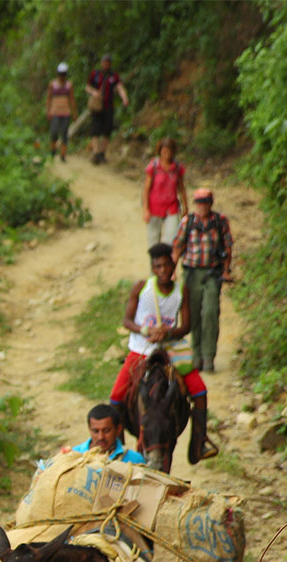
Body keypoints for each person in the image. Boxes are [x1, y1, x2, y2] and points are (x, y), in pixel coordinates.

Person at [110, 243, 217, 463]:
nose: (163, 271)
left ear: (173, 265)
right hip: (141, 350)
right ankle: (116, 450)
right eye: (158, 266)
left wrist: (167, 334)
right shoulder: (142, 287)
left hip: (171, 349)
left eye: (167, 265)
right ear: (152, 268)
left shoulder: (181, 291)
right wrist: (146, 330)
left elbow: (186, 326)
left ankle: (198, 443)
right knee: (116, 397)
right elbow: (126, 320)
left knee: (200, 391)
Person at [171, 187, 234, 374]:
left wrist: (226, 271)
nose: (202, 206)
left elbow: (228, 247)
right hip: (192, 273)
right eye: (199, 202)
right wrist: (172, 271)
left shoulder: (220, 222)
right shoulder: (188, 222)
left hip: (213, 273)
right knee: (193, 314)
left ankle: (209, 356)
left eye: (205, 202)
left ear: (211, 204)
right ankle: (196, 355)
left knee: (210, 312)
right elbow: (178, 247)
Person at [142, 137, 187, 247]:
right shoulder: (153, 167)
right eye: (165, 151)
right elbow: (146, 189)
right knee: (153, 241)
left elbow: (181, 189)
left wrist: (185, 206)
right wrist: (146, 209)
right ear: (160, 151)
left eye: (170, 151)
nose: (167, 154)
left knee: (171, 240)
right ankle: (155, 263)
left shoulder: (177, 168)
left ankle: (166, 262)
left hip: (171, 207)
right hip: (154, 208)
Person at [68, 403, 147, 464]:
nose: (100, 437)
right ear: (89, 429)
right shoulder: (73, 456)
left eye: (106, 431)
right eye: (95, 431)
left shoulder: (134, 460)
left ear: (118, 429)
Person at [86, 55, 129, 165]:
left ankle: (102, 153)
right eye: (104, 62)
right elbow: (87, 87)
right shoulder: (95, 74)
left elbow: (119, 87)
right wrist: (94, 92)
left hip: (108, 107)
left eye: (108, 62)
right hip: (97, 106)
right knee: (95, 129)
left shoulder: (114, 76)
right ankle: (96, 153)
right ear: (101, 63)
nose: (106, 64)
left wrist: (124, 98)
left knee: (107, 130)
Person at [45, 62, 75, 163]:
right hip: (55, 112)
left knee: (64, 134)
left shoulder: (69, 85)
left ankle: (63, 155)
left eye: (64, 74)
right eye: (61, 74)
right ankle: (53, 151)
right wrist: (48, 111)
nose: (62, 76)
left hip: (66, 112)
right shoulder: (52, 84)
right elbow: (48, 98)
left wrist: (74, 112)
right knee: (54, 132)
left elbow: (71, 99)